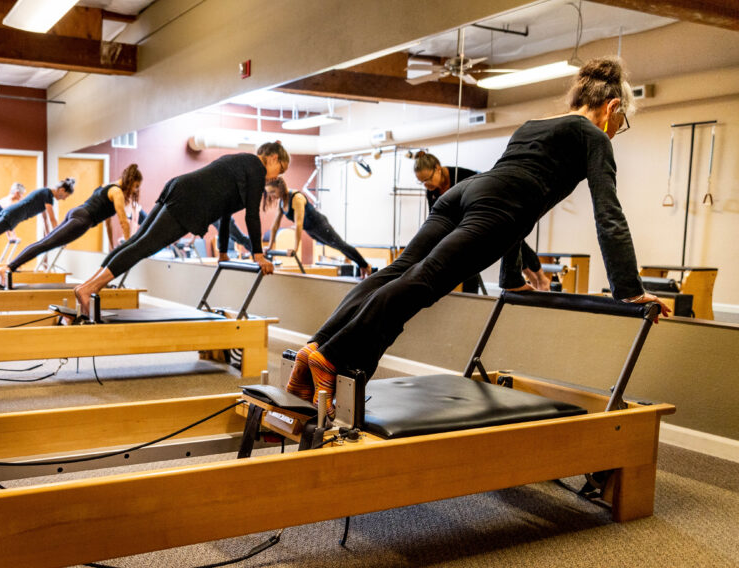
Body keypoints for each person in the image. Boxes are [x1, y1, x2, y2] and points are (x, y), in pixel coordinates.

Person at [285, 57, 669, 405]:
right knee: (425, 280)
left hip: (463, 193)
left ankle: (317, 346)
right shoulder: (593, 136)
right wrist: (628, 289)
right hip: (496, 206)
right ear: (612, 107)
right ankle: (334, 358)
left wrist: (511, 277)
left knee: (400, 269)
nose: (619, 129)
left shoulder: (534, 125)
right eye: (622, 121)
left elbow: (519, 198)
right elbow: (607, 212)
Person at [72, 143, 289, 313]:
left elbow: (225, 213)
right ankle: (89, 288)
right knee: (145, 246)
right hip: (190, 202)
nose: (278, 176)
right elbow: (252, 215)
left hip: (177, 186)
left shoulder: (242, 162)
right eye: (281, 169)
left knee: (136, 241)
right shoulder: (256, 170)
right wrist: (258, 255)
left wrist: (222, 252)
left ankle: (88, 284)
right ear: (273, 158)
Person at [412, 151, 549, 292]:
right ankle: (529, 277)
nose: (425, 185)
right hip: (467, 224)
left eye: (427, 179)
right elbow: (435, 216)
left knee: (514, 239)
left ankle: (540, 278)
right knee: (473, 253)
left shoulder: (463, 176)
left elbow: (484, 192)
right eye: (421, 181)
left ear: (438, 168)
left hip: (492, 207)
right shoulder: (432, 190)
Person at [0, 164, 143, 276]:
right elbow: (123, 221)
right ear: (130, 181)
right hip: (83, 220)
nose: (136, 190)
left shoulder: (107, 186)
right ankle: (9, 267)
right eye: (136, 186)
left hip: (76, 212)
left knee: (45, 243)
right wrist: (128, 243)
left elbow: (108, 222)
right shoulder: (117, 192)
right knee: (46, 244)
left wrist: (112, 245)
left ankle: (10, 266)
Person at [263, 177, 371, 277]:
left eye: (273, 191)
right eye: (269, 193)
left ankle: (365, 265)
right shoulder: (281, 202)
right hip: (311, 230)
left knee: (340, 245)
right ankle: (362, 265)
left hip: (320, 225)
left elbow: (299, 224)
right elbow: (275, 226)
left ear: (280, 188)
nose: (271, 195)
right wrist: (270, 245)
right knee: (337, 247)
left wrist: (295, 248)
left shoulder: (297, 198)